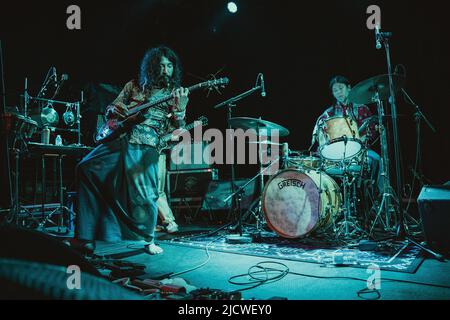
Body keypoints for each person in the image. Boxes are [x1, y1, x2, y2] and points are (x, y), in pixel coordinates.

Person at [74, 46, 189, 255]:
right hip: (120, 138)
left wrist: (180, 111)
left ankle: (148, 240)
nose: (166, 70)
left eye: (170, 66)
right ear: (152, 67)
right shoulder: (133, 86)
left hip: (146, 144)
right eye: (161, 65)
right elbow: (112, 107)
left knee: (146, 195)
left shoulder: (176, 94)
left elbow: (178, 129)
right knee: (86, 168)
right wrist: (116, 110)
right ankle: (85, 237)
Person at [311, 76, 381, 192]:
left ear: (349, 88)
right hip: (338, 154)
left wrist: (360, 144)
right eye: (335, 90)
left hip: (361, 151)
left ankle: (376, 196)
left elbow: (372, 131)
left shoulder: (362, 109)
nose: (338, 92)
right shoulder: (328, 114)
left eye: (340, 88)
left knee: (377, 159)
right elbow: (321, 134)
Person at [156, 152, 179, 233]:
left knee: (157, 191)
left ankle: (169, 221)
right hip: (138, 152)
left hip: (155, 152)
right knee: (154, 190)